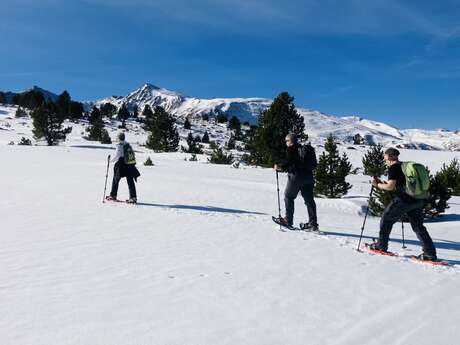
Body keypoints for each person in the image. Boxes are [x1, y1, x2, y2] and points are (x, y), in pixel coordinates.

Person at [368, 148, 437, 260]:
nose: (384, 158)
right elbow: (400, 184)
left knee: (386, 220)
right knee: (418, 227)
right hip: (418, 199)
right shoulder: (404, 166)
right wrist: (387, 184)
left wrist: (378, 185)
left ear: (390, 156)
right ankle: (430, 254)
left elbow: (390, 187)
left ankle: (381, 246)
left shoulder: (394, 167)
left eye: (385, 156)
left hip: (404, 200)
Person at [274, 133, 319, 231]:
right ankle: (313, 224)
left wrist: (279, 167)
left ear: (291, 141)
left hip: (297, 176)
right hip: (309, 177)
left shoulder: (291, 148)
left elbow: (289, 161)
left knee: (289, 197)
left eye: (286, 140)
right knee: (309, 200)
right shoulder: (304, 149)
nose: (286, 143)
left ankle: (288, 220)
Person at [106, 132, 140, 203]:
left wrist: (110, 161)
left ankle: (113, 195)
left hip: (121, 164)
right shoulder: (127, 144)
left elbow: (117, 156)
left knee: (115, 180)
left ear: (118, 138)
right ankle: (133, 197)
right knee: (130, 181)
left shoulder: (119, 145)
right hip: (129, 165)